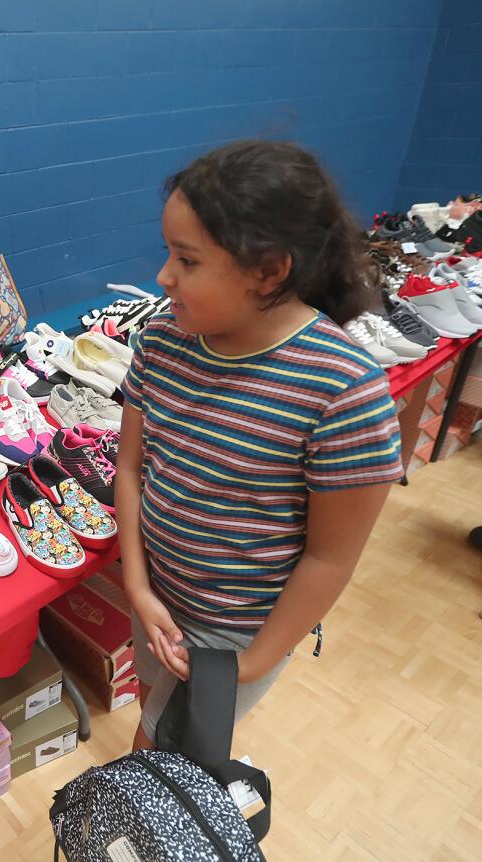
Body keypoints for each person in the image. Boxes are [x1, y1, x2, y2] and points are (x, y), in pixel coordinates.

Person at [116, 140, 404, 750]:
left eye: (187, 261)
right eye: (168, 253)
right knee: (153, 718)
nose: (163, 277)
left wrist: (246, 665)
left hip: (237, 636)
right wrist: (139, 588)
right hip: (158, 597)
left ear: (270, 270)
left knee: (156, 766)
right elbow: (130, 471)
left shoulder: (344, 391)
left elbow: (330, 558)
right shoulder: (163, 342)